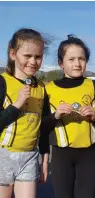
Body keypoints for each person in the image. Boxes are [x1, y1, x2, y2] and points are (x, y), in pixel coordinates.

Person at [42, 35, 95, 198]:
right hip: (61, 155)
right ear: (61, 63)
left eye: (82, 59)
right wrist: (56, 115)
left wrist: (93, 116)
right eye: (71, 59)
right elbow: (42, 126)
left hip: (88, 154)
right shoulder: (49, 89)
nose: (77, 63)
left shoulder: (94, 86)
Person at [0, 28, 50, 198]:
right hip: (3, 155)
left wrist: (44, 159)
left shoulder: (42, 88)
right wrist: (17, 105)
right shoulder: (3, 82)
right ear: (13, 54)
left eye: (38, 57)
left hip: (30, 157)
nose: (33, 61)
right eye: (27, 56)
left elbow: (43, 128)